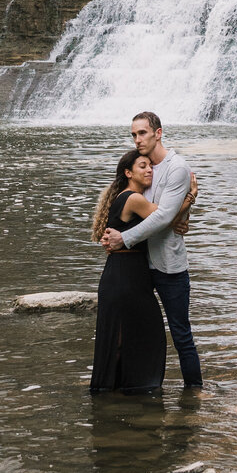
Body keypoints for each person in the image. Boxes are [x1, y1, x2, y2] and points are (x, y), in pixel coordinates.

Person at [102, 111, 203, 389]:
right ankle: (134, 388)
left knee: (181, 336)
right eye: (134, 134)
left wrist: (124, 239)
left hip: (168, 267)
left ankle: (193, 393)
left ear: (158, 133)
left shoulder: (177, 168)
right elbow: (130, 206)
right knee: (137, 332)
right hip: (138, 267)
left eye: (142, 133)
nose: (137, 139)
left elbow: (162, 218)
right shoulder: (141, 166)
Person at [89, 149, 167, 394]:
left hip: (126, 274)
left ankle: (119, 394)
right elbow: (166, 218)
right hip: (125, 277)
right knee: (135, 334)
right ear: (128, 172)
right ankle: (131, 390)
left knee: (128, 334)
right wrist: (190, 197)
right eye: (142, 166)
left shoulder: (126, 196)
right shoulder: (133, 199)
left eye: (150, 166)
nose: (148, 170)